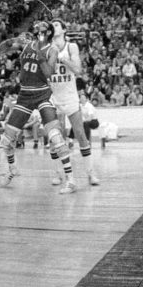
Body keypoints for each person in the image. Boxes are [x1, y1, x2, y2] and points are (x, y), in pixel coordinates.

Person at [0, 21, 79, 194]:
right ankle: (12, 169)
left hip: (42, 94)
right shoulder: (27, 44)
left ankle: (70, 180)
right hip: (25, 95)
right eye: (36, 26)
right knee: (6, 140)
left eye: (42, 27)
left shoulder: (52, 50)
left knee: (55, 137)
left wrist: (40, 56)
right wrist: (9, 42)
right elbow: (2, 48)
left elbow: (49, 73)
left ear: (47, 31)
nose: (37, 27)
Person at [47, 19, 98, 186]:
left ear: (63, 29)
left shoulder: (71, 47)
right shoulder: (46, 48)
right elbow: (45, 74)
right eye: (51, 25)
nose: (53, 27)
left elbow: (78, 70)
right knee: (55, 138)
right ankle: (58, 173)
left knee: (80, 134)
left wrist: (63, 59)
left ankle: (90, 174)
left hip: (70, 97)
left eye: (56, 25)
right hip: (54, 98)